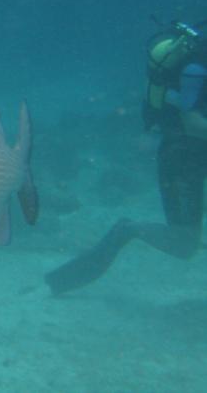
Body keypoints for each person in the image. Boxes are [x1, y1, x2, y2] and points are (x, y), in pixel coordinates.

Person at [46, 20, 207, 295]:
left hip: (195, 154)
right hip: (182, 158)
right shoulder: (196, 68)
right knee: (184, 244)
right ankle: (128, 231)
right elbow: (192, 122)